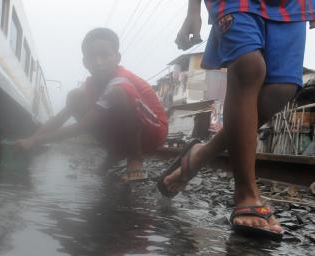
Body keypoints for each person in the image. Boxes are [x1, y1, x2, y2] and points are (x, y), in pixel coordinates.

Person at [158, 0, 314, 240]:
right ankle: (246, 193)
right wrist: (192, 11)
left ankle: (201, 154)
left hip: (291, 4)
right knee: (248, 67)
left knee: (282, 89)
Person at [16, 28, 168, 182]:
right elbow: (61, 117)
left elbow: (83, 126)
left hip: (153, 133)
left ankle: (135, 157)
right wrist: (31, 139)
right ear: (84, 62)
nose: (98, 62)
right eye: (92, 57)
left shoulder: (120, 81)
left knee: (117, 94)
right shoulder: (92, 84)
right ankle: (115, 152)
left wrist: (35, 141)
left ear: (117, 58)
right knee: (75, 96)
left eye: (105, 55)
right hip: (129, 131)